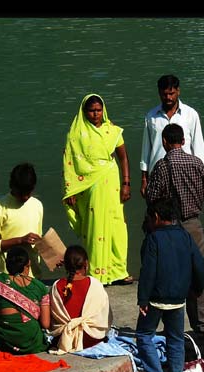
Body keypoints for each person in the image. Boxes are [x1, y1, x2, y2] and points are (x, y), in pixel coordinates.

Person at [144, 122, 204, 338]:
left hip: (170, 228)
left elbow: (152, 198)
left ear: (164, 142)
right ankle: (202, 326)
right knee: (197, 274)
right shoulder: (197, 163)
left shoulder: (162, 167)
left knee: (168, 274)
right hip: (194, 224)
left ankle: (171, 326)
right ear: (183, 141)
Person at [134, 198, 204, 372]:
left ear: (156, 217)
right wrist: (197, 288)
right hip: (178, 298)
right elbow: (199, 265)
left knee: (144, 335)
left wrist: (143, 299)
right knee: (175, 339)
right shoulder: (185, 236)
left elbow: (148, 271)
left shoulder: (153, 239)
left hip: (156, 298)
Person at [62, 93, 133, 286]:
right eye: (92, 110)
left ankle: (118, 271)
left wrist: (126, 183)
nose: (96, 114)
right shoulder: (76, 134)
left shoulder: (112, 131)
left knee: (117, 226)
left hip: (110, 180)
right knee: (95, 226)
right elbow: (69, 163)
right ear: (85, 112)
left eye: (99, 110)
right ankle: (97, 272)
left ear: (104, 110)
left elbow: (123, 158)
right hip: (89, 185)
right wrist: (71, 191)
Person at [139, 74, 204, 198]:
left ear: (178, 91)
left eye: (171, 94)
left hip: (185, 175)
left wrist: (202, 181)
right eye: (164, 94)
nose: (168, 98)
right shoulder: (151, 116)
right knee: (157, 214)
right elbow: (146, 150)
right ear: (159, 93)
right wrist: (144, 179)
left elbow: (199, 150)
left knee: (184, 213)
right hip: (157, 175)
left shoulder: (190, 115)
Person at [0, 245, 51, 354]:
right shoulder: (40, 287)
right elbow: (46, 324)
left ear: (7, 265)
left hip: (4, 343)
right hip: (32, 344)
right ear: (28, 264)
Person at [0, 162, 44, 279]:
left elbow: (38, 240)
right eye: (21, 193)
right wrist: (20, 240)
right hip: (8, 275)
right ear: (12, 186)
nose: (25, 197)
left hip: (33, 274)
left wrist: (54, 255)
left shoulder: (37, 205)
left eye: (28, 193)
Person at [48, 245, 112, 354]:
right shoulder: (95, 284)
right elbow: (106, 316)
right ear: (86, 264)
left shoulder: (57, 285)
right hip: (90, 339)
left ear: (66, 265)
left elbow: (53, 317)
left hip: (63, 338)